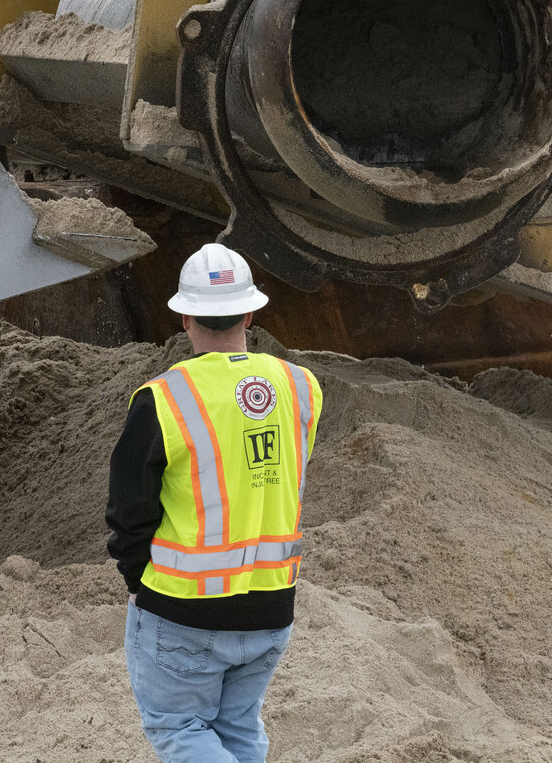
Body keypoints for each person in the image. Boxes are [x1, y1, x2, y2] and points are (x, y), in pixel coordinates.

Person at [107, 243, 322, 763]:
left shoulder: (163, 398)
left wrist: (139, 581)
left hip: (184, 608)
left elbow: (128, 509)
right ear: (250, 312)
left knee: (179, 729)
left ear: (184, 317)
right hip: (272, 603)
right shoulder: (300, 385)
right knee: (237, 728)